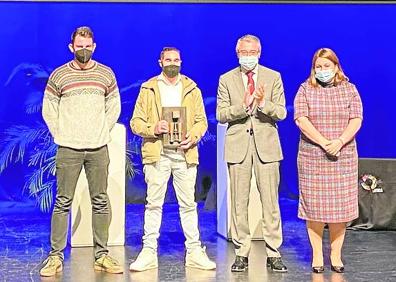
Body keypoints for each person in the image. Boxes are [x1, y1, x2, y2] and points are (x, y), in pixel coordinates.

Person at [40, 26, 122, 277]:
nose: (83, 50)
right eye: (79, 46)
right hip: (69, 148)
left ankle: (102, 255)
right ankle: (55, 257)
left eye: (88, 46)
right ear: (71, 47)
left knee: (100, 201)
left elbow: (114, 106)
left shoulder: (106, 74)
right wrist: (61, 134)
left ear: (94, 47)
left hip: (98, 147)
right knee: (62, 202)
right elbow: (49, 109)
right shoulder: (59, 75)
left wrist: (101, 131)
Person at [129, 47, 216, 272]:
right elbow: (135, 122)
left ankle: (194, 252)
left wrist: (194, 135)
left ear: (181, 62)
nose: (172, 63)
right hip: (157, 154)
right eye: (168, 59)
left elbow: (201, 121)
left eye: (176, 60)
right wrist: (153, 128)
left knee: (188, 204)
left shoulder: (191, 88)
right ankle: (149, 252)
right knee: (153, 204)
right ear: (160, 62)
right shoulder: (148, 88)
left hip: (184, 154)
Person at [217, 34, 288, 273]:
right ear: (237, 54)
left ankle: (273, 252)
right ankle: (241, 252)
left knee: (271, 202)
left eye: (252, 52)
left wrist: (261, 103)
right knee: (239, 202)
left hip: (267, 147)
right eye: (243, 53)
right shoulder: (226, 79)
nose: (248, 57)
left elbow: (281, 112)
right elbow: (221, 114)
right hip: (238, 148)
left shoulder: (273, 77)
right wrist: (244, 105)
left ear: (259, 52)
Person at [294, 47, 363, 273]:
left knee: (339, 210)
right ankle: (316, 254)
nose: (322, 70)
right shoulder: (305, 89)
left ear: (336, 67)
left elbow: (357, 119)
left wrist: (340, 141)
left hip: (342, 157)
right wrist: (324, 143)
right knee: (314, 209)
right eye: (318, 66)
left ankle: (335, 254)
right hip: (313, 157)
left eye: (326, 66)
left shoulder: (349, 90)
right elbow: (301, 119)